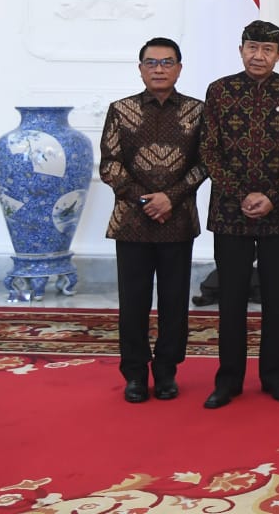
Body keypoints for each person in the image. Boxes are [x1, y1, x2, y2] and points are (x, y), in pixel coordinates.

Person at [200, 20, 279, 409]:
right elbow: (209, 151)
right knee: (230, 298)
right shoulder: (220, 91)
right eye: (252, 47)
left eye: (267, 49)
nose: (258, 55)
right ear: (241, 49)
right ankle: (228, 380)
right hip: (230, 211)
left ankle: (275, 377)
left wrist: (271, 196)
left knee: (276, 298)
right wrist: (241, 194)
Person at [99, 37, 207, 403]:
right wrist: (145, 199)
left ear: (179, 67)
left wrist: (170, 198)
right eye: (151, 62)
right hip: (132, 222)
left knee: (175, 302)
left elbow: (205, 163)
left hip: (177, 221)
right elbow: (110, 164)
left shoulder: (197, 111)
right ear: (140, 67)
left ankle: (166, 372)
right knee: (133, 302)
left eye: (167, 62)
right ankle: (134, 374)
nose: (158, 69)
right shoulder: (121, 110)